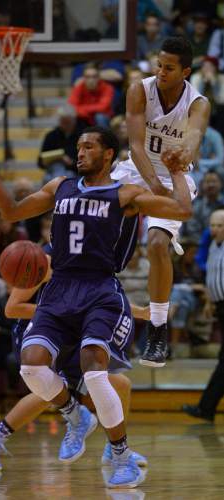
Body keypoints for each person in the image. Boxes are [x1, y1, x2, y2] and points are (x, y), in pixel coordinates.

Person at [0, 126, 192, 488]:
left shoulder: (125, 194)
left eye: (89, 146)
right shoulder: (60, 187)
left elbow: (182, 210)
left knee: (96, 372)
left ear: (108, 156)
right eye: (78, 147)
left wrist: (178, 171)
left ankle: (120, 455)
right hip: (60, 289)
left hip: (100, 289)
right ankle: (75, 415)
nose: (81, 152)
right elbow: (10, 212)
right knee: (32, 367)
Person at [0, 251, 149, 471]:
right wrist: (67, 311)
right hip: (40, 331)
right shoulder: (43, 260)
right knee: (50, 391)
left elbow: (104, 301)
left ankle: (116, 449)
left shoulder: (92, 261)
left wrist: (141, 312)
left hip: (71, 331)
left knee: (120, 385)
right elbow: (12, 308)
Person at [111, 36, 210, 367]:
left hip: (173, 174)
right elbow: (136, 146)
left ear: (185, 70)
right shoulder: (141, 89)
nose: (161, 72)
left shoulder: (198, 103)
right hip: (135, 171)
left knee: (156, 245)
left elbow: (194, 136)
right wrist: (153, 185)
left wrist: (184, 155)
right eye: (159, 65)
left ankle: (157, 329)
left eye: (169, 68)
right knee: (89, 215)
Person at [182, 209, 224, 421]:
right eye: (213, 225)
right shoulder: (214, 247)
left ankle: (206, 408)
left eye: (220, 225)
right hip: (220, 305)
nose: (215, 229)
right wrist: (210, 301)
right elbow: (215, 277)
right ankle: (206, 408)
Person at [182, 170, 224, 243]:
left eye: (214, 181)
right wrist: (206, 243)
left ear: (221, 184)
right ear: (202, 185)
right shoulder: (196, 206)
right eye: (207, 182)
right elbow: (193, 230)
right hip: (201, 244)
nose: (211, 185)